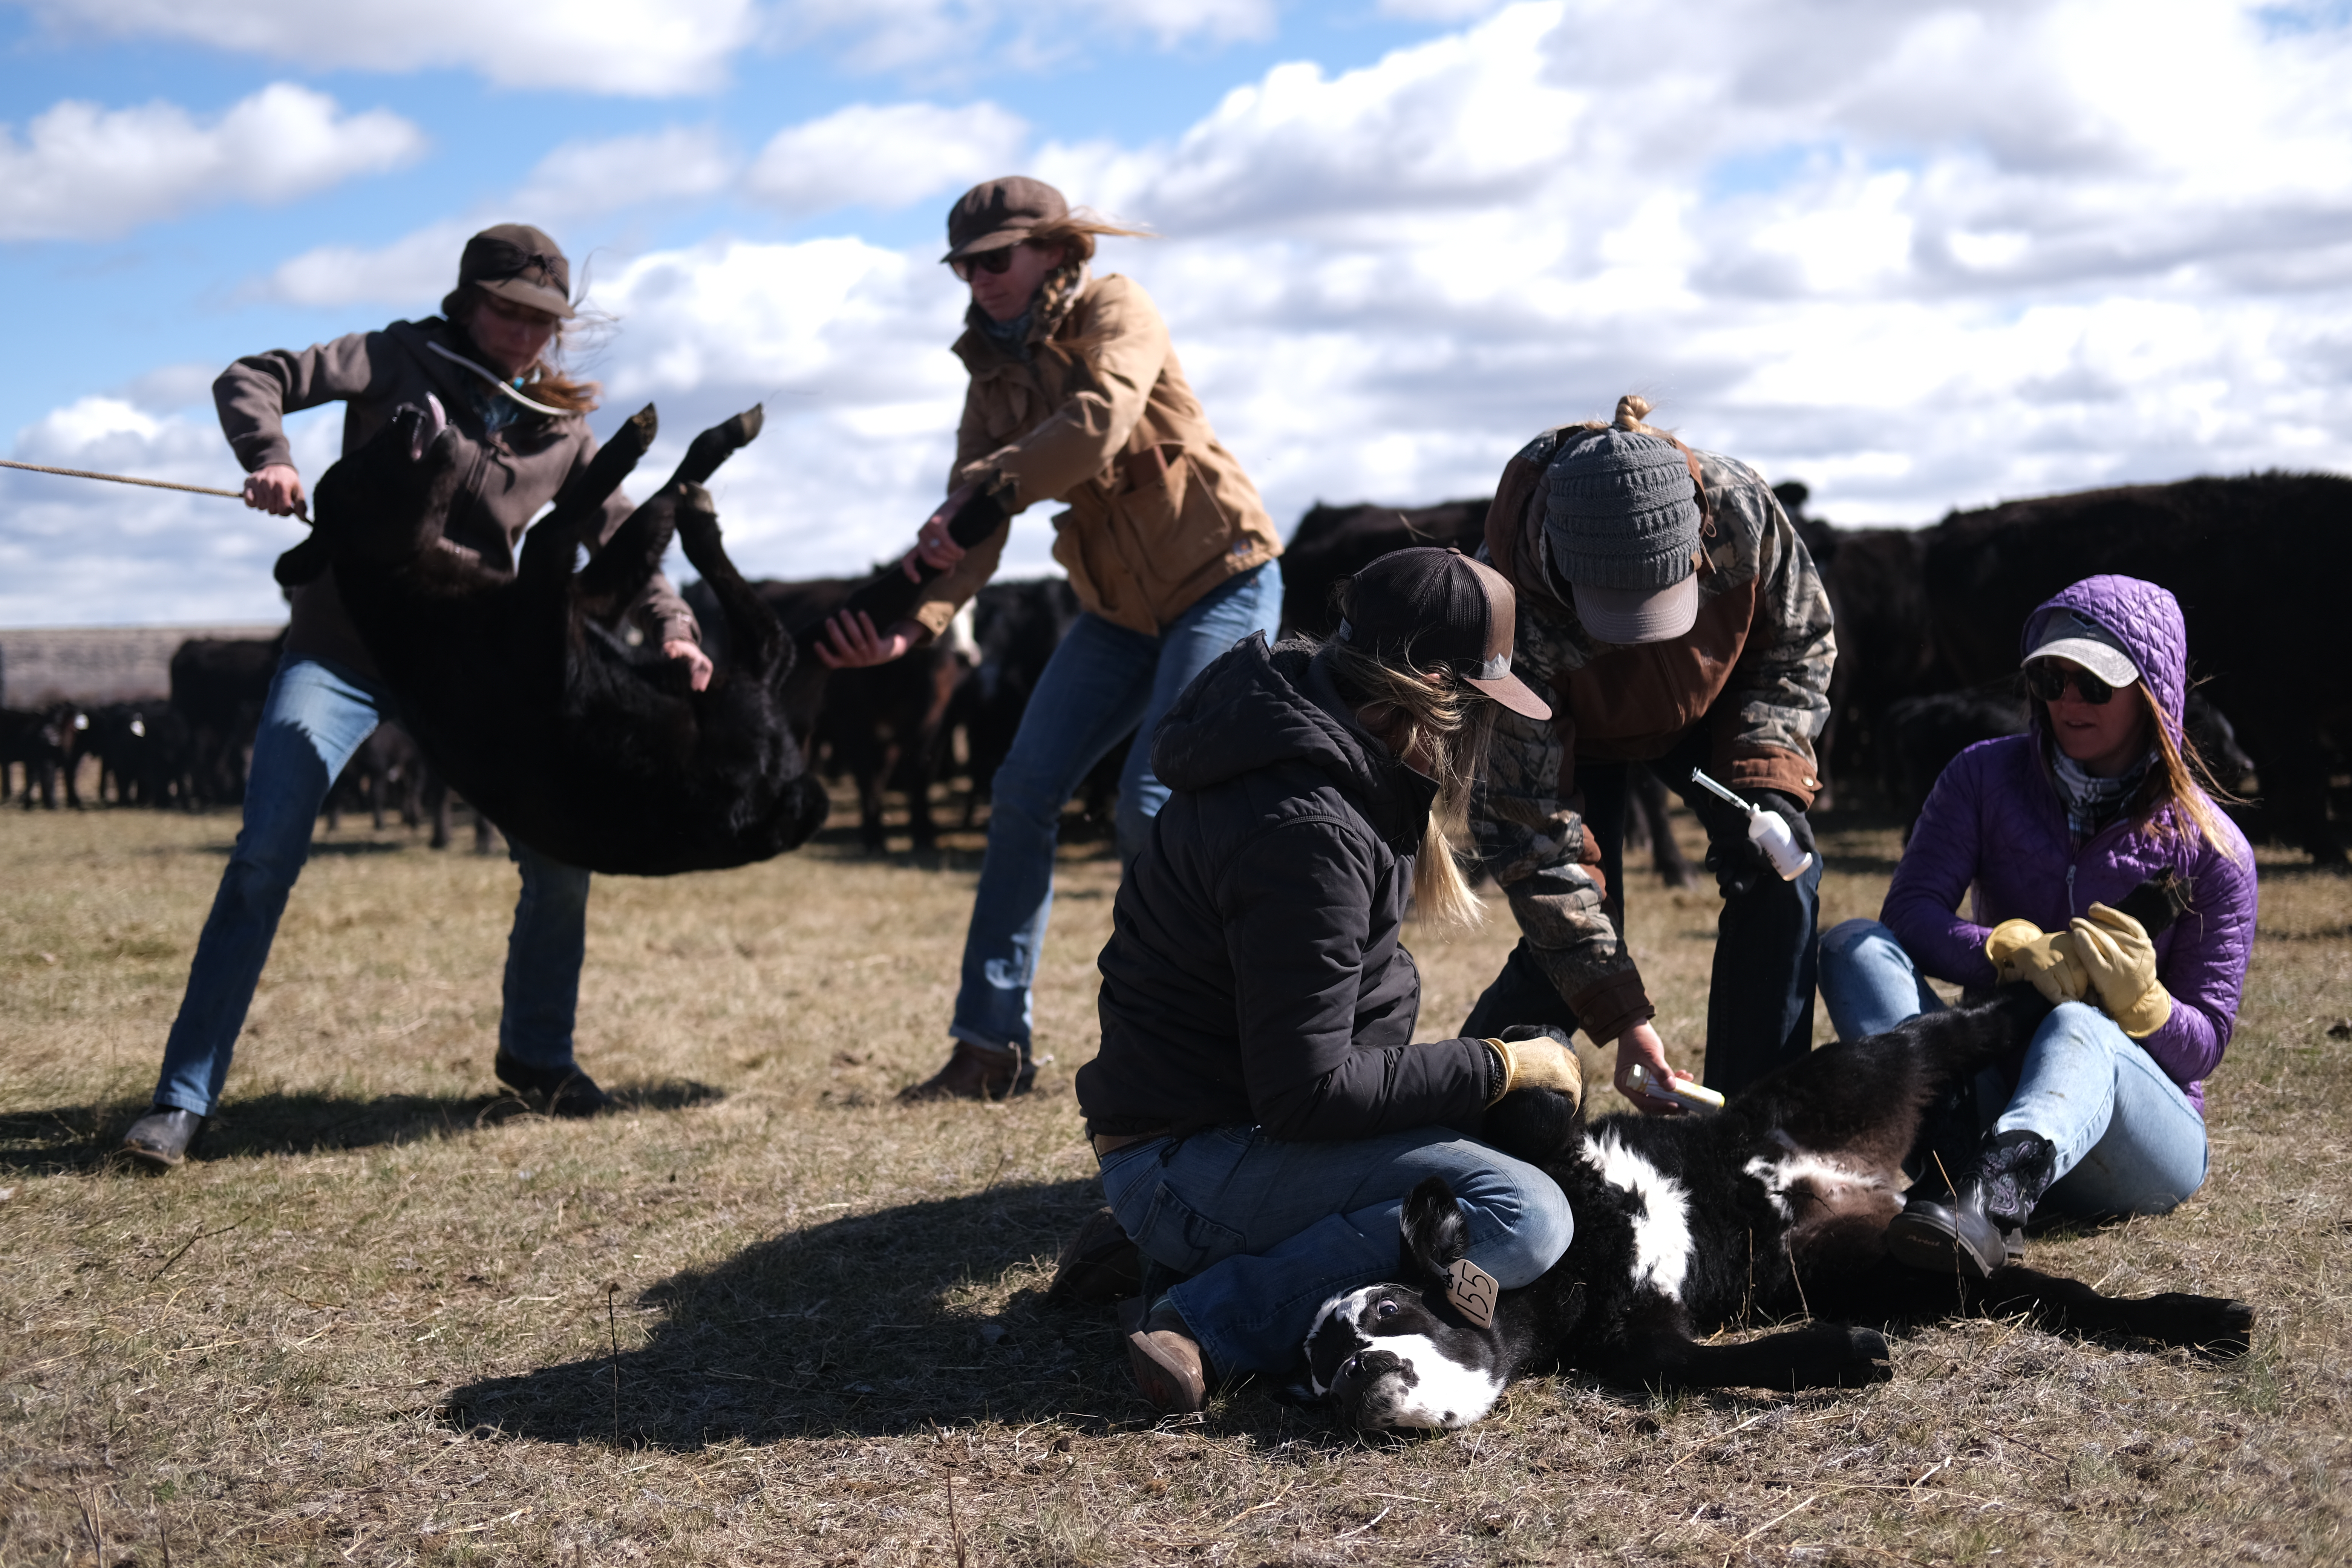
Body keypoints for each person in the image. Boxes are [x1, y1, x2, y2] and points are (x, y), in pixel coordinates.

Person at [119, 225, 708, 1171]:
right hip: (342, 653)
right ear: (467, 300)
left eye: (542, 321)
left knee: (562, 851)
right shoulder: (393, 356)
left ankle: (538, 1056)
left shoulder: (562, 428)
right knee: (266, 853)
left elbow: (623, 530)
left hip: (470, 673)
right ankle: (182, 1099)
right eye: (508, 313)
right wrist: (269, 454)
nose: (524, 335)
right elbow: (254, 374)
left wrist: (674, 623)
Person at [1076, 547, 1582, 1412]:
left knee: (1479, 1169)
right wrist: (1496, 1067)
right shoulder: (1307, 830)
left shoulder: (1307, 747)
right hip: (1197, 1154)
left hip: (1196, 1134)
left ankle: (1178, 1246)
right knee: (1523, 1217)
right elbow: (1305, 1092)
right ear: (1428, 692)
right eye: (1476, 705)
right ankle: (1210, 1312)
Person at [818, 176, 1283, 1102]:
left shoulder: (1119, 306)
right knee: (1023, 792)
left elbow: (1097, 422)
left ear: (1057, 251)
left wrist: (985, 488)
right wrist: (912, 628)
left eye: (996, 261)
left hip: (1223, 584)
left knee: (1154, 806)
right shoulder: (990, 372)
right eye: (965, 267)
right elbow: (970, 527)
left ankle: (1210, 1045)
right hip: (1118, 615)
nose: (979, 280)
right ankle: (989, 1051)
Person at [1817, 574, 2255, 1277]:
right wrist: (2000, 949)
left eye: (2095, 685)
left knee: (2079, 1027)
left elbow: (2204, 1047)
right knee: (1852, 946)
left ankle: (1994, 1197)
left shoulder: (2213, 848)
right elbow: (1911, 915)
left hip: (2136, 1138)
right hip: (1986, 1084)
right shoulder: (1981, 777)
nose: (2067, 702)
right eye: (2051, 679)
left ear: (2154, 691)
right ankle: (1951, 1164)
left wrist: (2144, 1007)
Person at [1462, 395, 1836, 1111]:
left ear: (1698, 545)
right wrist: (1624, 1017)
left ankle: (1754, 1130)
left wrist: (1769, 771)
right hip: (1576, 743)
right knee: (1572, 942)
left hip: (1720, 710)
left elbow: (1799, 643)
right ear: (1559, 570)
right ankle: (1469, 1114)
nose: (1642, 641)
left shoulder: (1740, 513)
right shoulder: (1508, 618)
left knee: (1785, 872)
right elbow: (1534, 839)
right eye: (1615, 616)